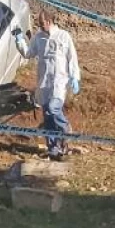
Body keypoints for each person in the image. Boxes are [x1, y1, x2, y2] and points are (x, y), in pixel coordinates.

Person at [13, 10, 81, 160]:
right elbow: (28, 53)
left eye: (42, 24)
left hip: (59, 82)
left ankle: (65, 127)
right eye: (39, 24)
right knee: (48, 117)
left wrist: (74, 77)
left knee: (53, 108)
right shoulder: (38, 38)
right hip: (44, 83)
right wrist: (19, 40)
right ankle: (54, 148)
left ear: (50, 22)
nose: (40, 26)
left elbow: (72, 58)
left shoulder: (63, 36)